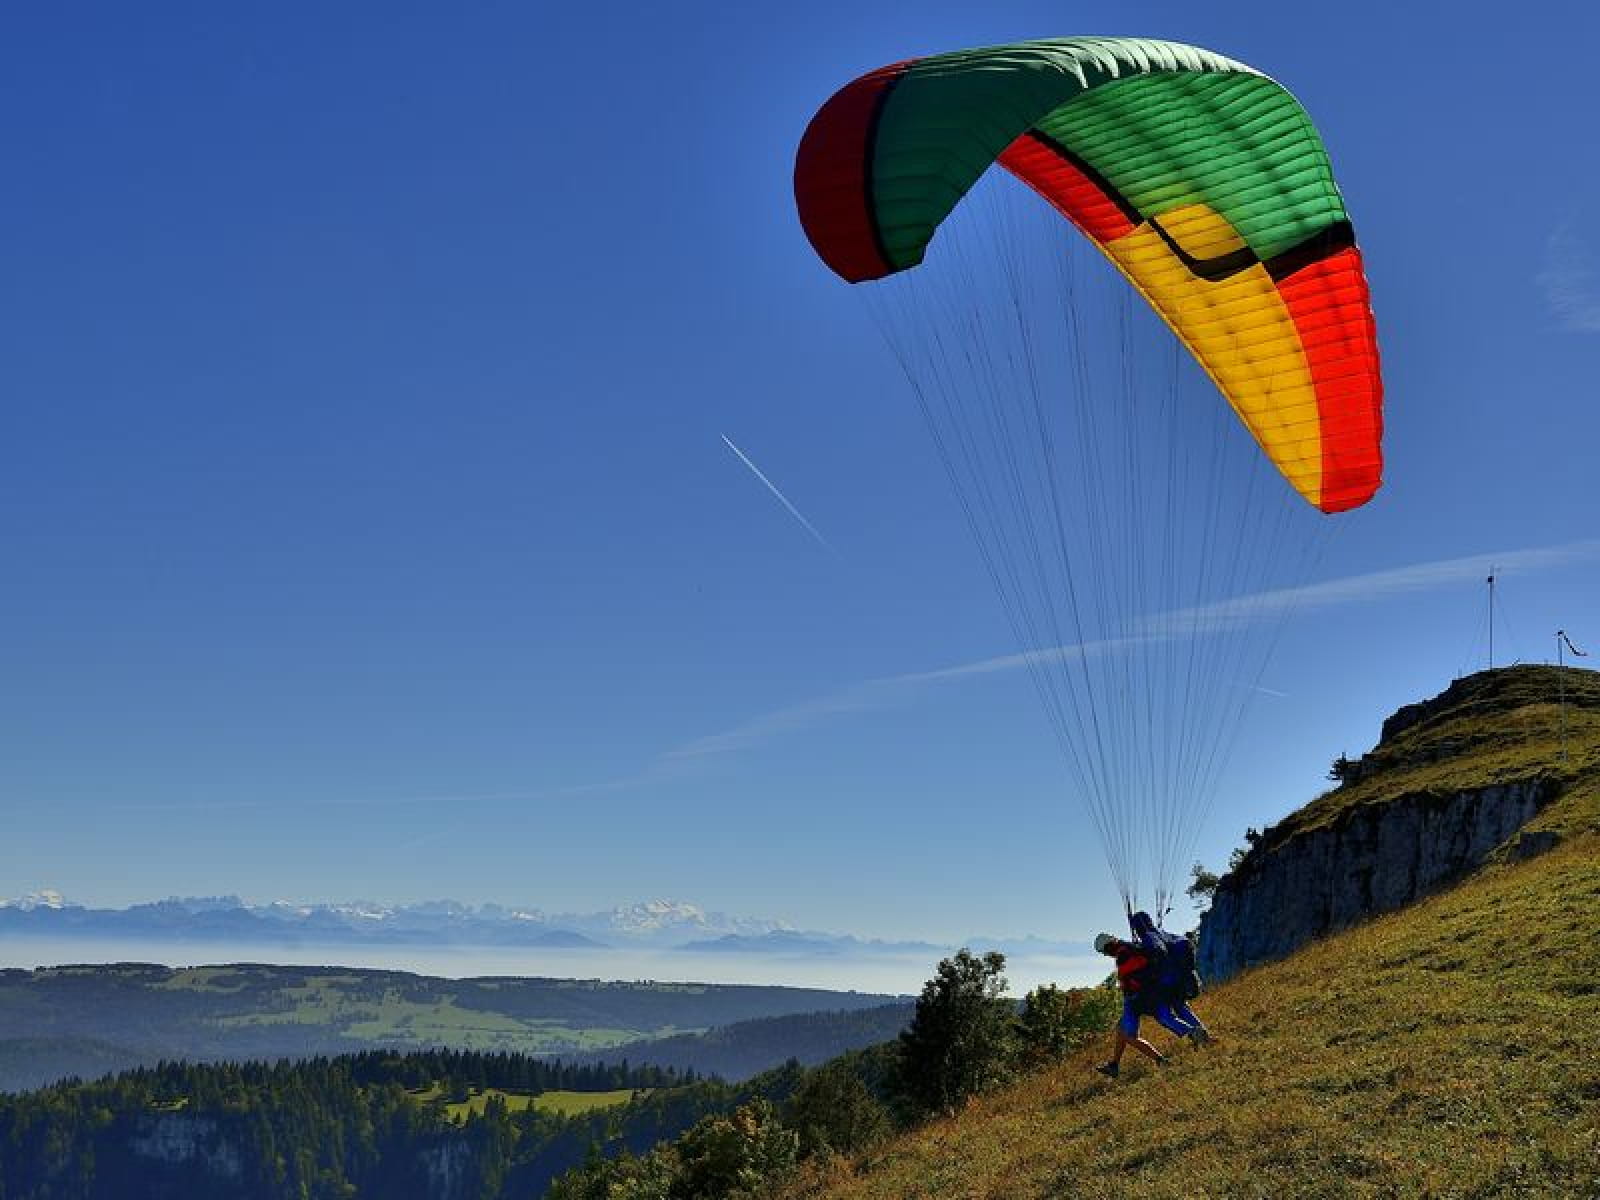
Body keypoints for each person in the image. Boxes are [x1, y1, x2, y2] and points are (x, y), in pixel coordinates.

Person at [1092, 931, 1202, 1079]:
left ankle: (1165, 1057)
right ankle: (1115, 1065)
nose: (1106, 955)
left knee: (1130, 1032)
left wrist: (1130, 990)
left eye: (1105, 952)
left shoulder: (1124, 954)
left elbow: (1132, 976)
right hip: (1152, 993)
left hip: (1140, 998)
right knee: (1126, 1028)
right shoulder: (1131, 948)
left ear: (1108, 947)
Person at [1128, 910, 1212, 1045]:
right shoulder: (1163, 933)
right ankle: (1204, 1035)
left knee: (1163, 1016)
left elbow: (1155, 959)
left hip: (1165, 986)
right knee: (1181, 1008)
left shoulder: (1148, 939)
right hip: (1180, 981)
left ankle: (1194, 1033)